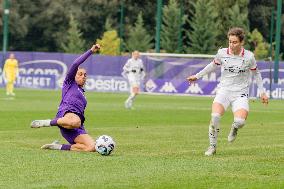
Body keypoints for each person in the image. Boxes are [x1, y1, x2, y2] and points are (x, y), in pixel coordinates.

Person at [187, 27, 269, 156]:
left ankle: (235, 128)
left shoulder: (249, 57)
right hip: (224, 91)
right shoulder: (222, 53)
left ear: (241, 42)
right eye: (230, 41)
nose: (231, 45)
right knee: (215, 117)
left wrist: (262, 92)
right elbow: (212, 66)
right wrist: (197, 76)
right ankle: (212, 147)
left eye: (234, 42)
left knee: (240, 122)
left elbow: (257, 74)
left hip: (240, 93)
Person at [30, 44, 101, 152]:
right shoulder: (69, 83)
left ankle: (57, 147)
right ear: (74, 76)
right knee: (76, 121)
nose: (83, 76)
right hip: (66, 115)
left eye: (85, 75)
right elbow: (76, 63)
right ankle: (45, 122)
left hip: (77, 126)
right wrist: (91, 51)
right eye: (80, 74)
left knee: (92, 147)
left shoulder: (83, 94)